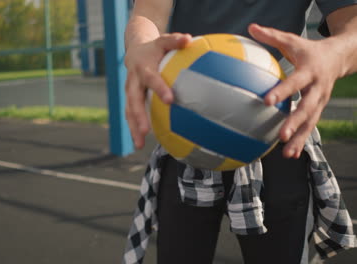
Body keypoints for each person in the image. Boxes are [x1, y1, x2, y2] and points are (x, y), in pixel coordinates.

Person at [122, 0, 357, 264]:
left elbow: (351, 23)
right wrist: (141, 44)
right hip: (186, 128)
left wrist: (335, 55)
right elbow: (148, 14)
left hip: (278, 132)